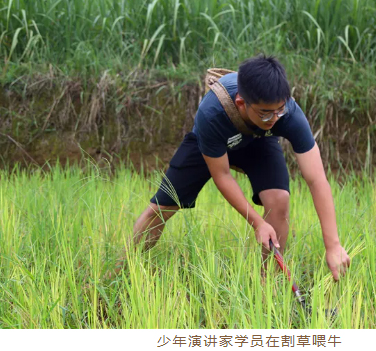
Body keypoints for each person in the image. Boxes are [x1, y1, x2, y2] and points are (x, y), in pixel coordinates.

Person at [131, 55, 351, 281]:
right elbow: (222, 176)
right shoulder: (212, 113)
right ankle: (122, 267)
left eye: (280, 110)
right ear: (241, 103)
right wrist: (257, 223)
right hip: (212, 144)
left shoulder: (288, 114)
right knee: (159, 209)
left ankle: (267, 288)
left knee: (279, 200)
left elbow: (317, 179)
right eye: (266, 112)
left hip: (258, 140)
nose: (275, 117)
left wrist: (333, 245)